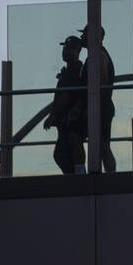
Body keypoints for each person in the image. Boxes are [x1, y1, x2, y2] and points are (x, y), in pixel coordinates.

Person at [43, 36, 85, 174]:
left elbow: (66, 96)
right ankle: (76, 176)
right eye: (64, 47)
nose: (65, 51)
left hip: (71, 118)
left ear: (77, 51)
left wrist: (53, 115)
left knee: (69, 149)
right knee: (63, 152)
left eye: (68, 48)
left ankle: (78, 178)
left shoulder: (75, 71)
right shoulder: (72, 70)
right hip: (66, 118)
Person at [78, 24, 117, 173]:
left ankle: (109, 178)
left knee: (102, 145)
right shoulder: (98, 55)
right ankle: (109, 177)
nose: (82, 38)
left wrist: (91, 108)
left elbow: (101, 84)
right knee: (101, 145)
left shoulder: (98, 56)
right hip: (101, 107)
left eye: (85, 34)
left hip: (100, 108)